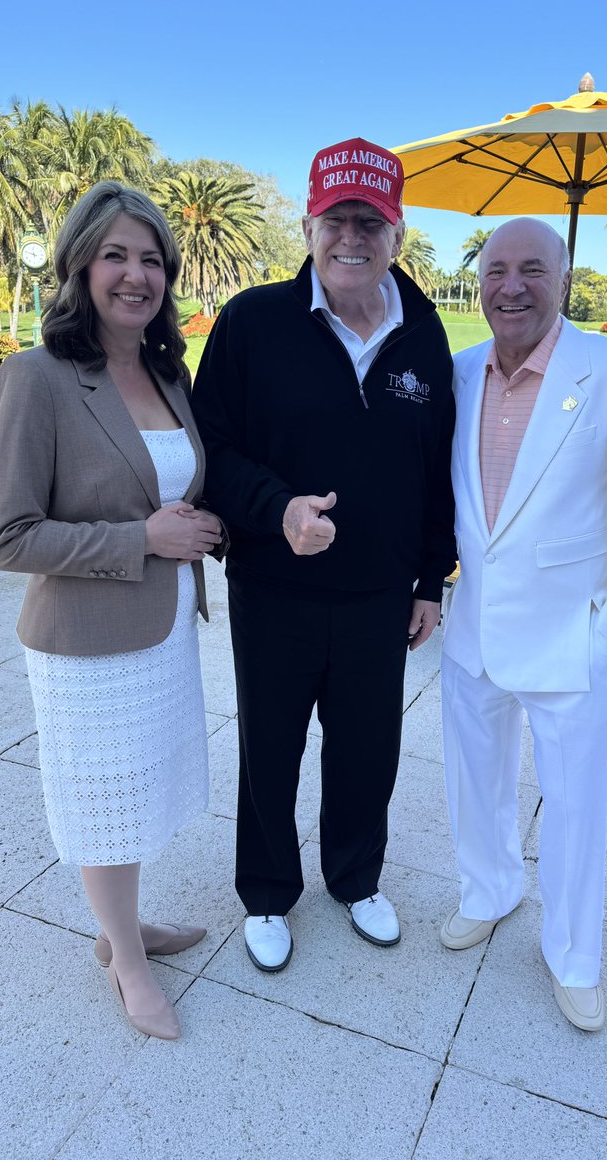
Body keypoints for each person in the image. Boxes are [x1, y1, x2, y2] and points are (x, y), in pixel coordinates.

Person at [191, 138, 455, 972]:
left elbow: (437, 467)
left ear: (397, 232)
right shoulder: (252, 321)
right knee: (270, 746)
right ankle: (268, 894)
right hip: (276, 587)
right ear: (307, 226)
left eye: (370, 221)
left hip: (381, 596)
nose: (353, 237)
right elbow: (213, 451)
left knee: (369, 746)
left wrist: (428, 581)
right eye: (336, 218)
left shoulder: (423, 332)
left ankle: (356, 878)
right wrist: (279, 511)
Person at [0, 182, 225, 1041]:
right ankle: (126, 960)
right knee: (105, 801)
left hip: (160, 634)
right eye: (116, 255)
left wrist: (203, 527)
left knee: (142, 788)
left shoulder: (165, 371)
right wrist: (143, 541)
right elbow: (7, 537)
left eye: (152, 259)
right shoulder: (36, 377)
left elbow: (174, 493)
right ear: (80, 264)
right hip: (84, 643)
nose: (136, 275)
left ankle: (124, 926)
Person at [440, 218, 607, 1031]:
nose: (511, 285)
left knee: (574, 808)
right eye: (497, 268)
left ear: (564, 280)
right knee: (475, 784)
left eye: (532, 269)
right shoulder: (459, 373)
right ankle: (489, 889)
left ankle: (574, 956)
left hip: (573, 640)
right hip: (472, 633)